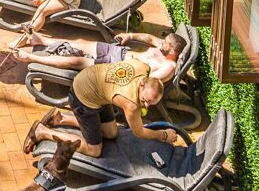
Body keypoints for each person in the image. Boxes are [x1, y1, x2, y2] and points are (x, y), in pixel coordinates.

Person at [35, 54, 183, 157]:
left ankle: (61, 119)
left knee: (112, 133)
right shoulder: (130, 104)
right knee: (95, 150)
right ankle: (42, 132)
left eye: (151, 103)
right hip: (83, 97)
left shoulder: (143, 68)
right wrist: (164, 135)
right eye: (145, 100)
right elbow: (139, 132)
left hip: (97, 86)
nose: (146, 105)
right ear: (142, 85)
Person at [15, 31, 186, 89]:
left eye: (165, 43)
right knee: (81, 43)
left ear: (172, 50)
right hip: (119, 52)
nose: (161, 42)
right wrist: (131, 35)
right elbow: (149, 39)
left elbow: (146, 83)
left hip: (117, 68)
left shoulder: (168, 67)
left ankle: (30, 58)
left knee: (77, 61)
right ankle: (41, 40)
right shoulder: (162, 48)